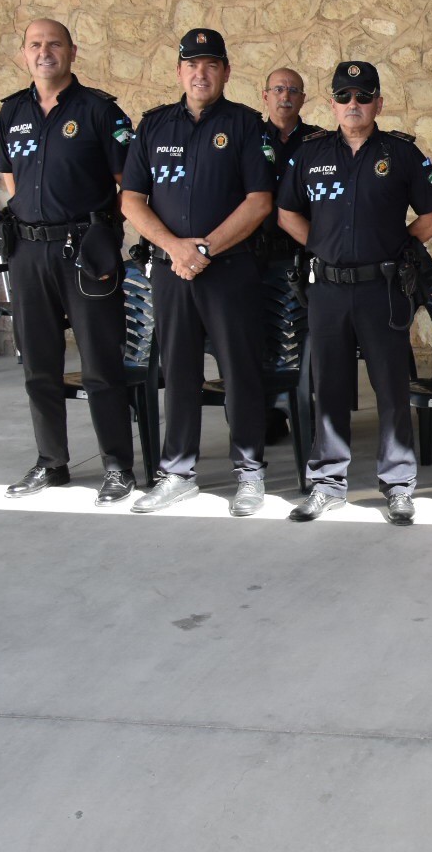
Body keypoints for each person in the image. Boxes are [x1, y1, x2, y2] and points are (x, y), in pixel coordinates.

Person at [277, 61, 432, 525]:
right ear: (332, 104)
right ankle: (327, 484)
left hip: (382, 289)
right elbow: (286, 213)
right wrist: (321, 246)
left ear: (378, 103)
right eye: (345, 96)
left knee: (391, 388)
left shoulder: (402, 154)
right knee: (329, 387)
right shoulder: (310, 154)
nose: (354, 104)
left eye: (364, 96)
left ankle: (398, 485)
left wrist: (397, 247)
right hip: (327, 290)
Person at [120, 29, 273, 515]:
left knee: (240, 372)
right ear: (179, 71)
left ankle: (249, 473)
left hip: (229, 269)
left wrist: (204, 248)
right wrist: (174, 248)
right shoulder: (154, 126)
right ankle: (177, 473)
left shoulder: (246, 125)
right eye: (192, 64)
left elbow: (259, 201)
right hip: (171, 271)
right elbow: (131, 199)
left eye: (211, 64)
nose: (200, 73)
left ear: (226, 71)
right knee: (179, 371)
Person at [0, 18, 137, 504]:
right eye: (35, 45)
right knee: (39, 366)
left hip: (84, 252)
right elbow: (10, 176)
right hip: (28, 251)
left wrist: (99, 231)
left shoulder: (100, 111)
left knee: (100, 364)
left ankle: (117, 466)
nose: (44, 52)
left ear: (72, 52)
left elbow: (129, 184)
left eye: (54, 44)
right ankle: (51, 461)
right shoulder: (11, 112)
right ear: (24, 53)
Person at [256, 66, 324, 445]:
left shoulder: (318, 142)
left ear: (302, 99)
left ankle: (306, 410)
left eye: (293, 90)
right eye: (279, 89)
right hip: (259, 256)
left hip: (302, 253)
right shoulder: (249, 138)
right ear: (265, 96)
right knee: (263, 336)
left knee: (306, 338)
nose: (286, 96)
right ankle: (267, 414)